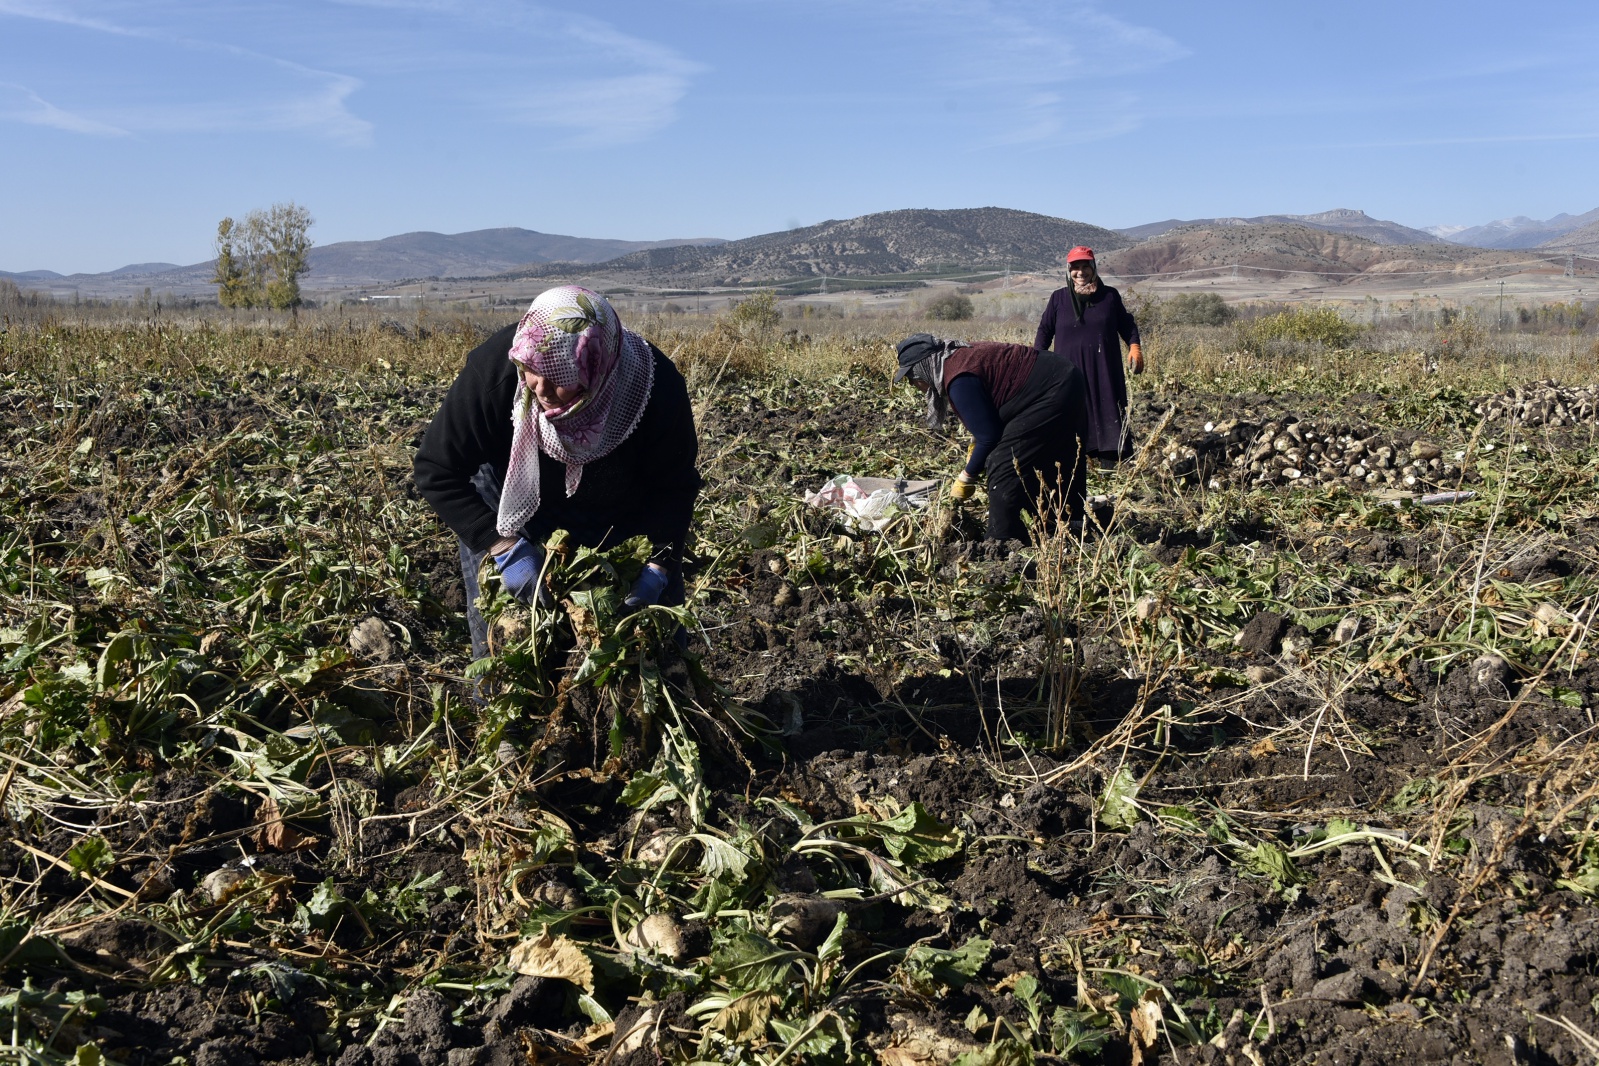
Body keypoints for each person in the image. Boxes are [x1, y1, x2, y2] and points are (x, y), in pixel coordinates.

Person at [413, 285, 701, 661]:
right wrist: (503, 547)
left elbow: (674, 486)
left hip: (620, 505)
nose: (541, 388)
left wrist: (658, 566)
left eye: (560, 377)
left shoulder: (654, 387)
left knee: (649, 646)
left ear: (597, 367)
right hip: (511, 499)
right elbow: (437, 469)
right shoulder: (499, 372)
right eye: (532, 371)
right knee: (510, 645)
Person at [894, 333, 1089, 543]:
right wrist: (977, 442)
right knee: (1049, 453)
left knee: (1003, 463)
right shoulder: (955, 358)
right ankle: (1067, 520)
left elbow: (990, 437)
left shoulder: (958, 378)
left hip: (1051, 388)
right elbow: (988, 414)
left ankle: (1003, 539)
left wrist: (966, 477)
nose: (915, 385)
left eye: (912, 379)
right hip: (1063, 375)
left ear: (923, 369)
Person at [1033, 246, 1143, 465]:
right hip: (1066, 372)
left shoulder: (1109, 296)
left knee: (1108, 407)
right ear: (1068, 270)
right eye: (1075, 268)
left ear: (1094, 268)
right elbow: (1044, 331)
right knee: (1069, 411)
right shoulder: (1058, 298)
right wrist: (1036, 361)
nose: (1080, 272)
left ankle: (1110, 457)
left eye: (1085, 266)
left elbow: (1127, 324)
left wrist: (1134, 347)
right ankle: (1073, 458)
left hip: (1104, 369)